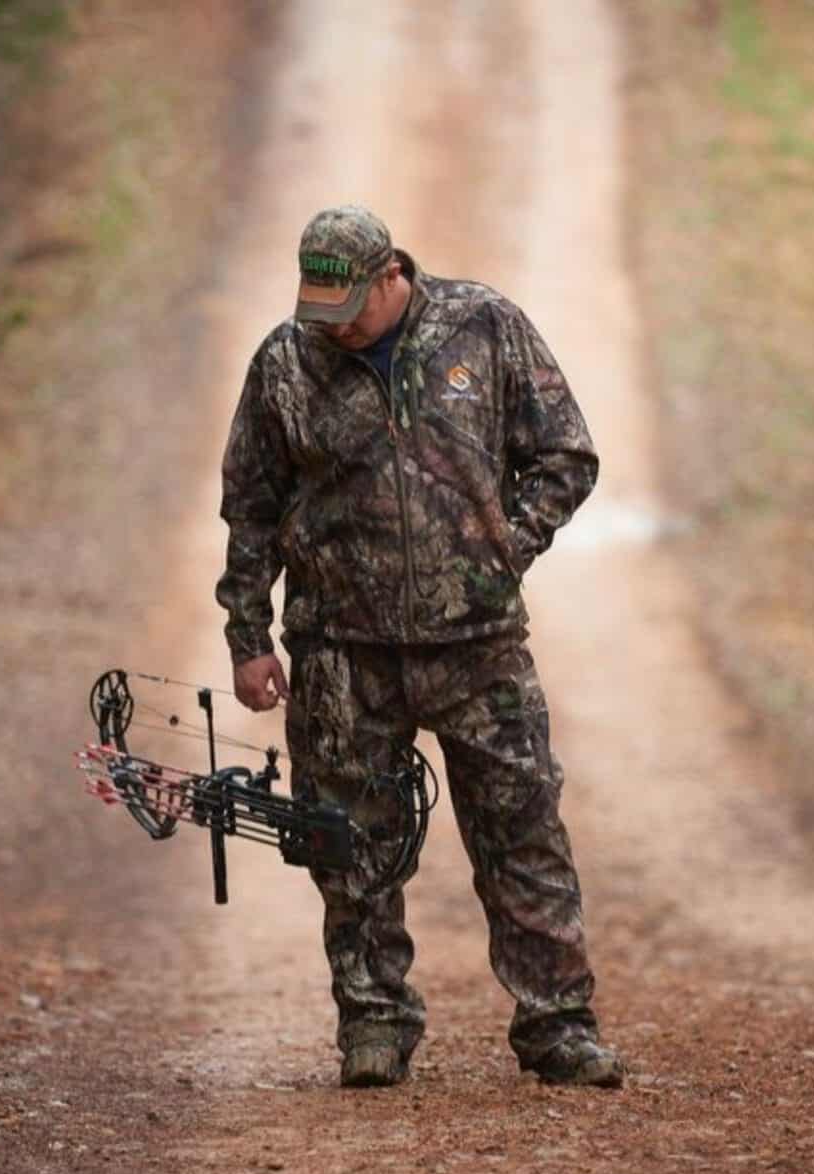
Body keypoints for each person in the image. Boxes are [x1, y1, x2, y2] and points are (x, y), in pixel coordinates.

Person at [216, 205, 623, 1089]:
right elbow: (249, 505)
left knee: (522, 831)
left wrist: (502, 546)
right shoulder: (285, 362)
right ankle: (374, 1022)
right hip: (341, 652)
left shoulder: (484, 326)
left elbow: (566, 456)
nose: (334, 326)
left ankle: (557, 1025)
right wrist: (249, 634)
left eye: (349, 307)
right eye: (318, 307)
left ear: (392, 273)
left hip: (477, 647)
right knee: (347, 848)